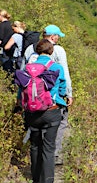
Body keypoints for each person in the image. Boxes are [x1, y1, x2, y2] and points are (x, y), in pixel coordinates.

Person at [21, 39, 66, 183]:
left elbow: (21, 87)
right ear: (51, 52)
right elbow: (62, 88)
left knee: (35, 146)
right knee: (48, 148)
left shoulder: (28, 68)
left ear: (36, 51)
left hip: (32, 113)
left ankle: (36, 181)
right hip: (51, 112)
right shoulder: (56, 67)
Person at [24, 24, 73, 165]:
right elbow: (65, 73)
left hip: (32, 98)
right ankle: (54, 155)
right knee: (61, 122)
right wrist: (68, 93)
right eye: (58, 36)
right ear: (53, 36)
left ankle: (35, 153)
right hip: (52, 100)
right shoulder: (58, 51)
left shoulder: (30, 49)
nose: (58, 38)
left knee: (36, 129)